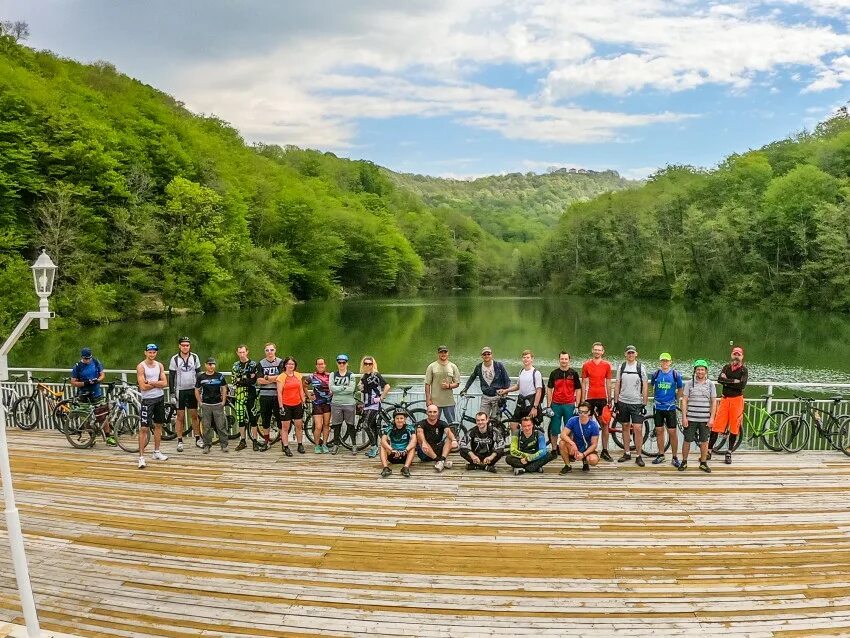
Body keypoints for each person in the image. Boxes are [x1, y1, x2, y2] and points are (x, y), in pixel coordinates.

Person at [709, 346, 748, 465]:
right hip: (725, 400)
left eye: (738, 354)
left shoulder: (743, 370)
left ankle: (729, 452)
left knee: (734, 428)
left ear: (742, 357)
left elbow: (742, 385)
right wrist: (733, 381)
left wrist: (727, 381)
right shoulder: (726, 367)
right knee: (716, 426)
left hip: (737, 401)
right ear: (731, 355)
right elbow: (720, 380)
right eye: (734, 354)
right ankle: (709, 451)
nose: (736, 356)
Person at [70, 347, 114, 446]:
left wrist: (97, 380)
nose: (88, 360)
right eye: (86, 359)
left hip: (96, 393)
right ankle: (91, 437)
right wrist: (84, 383)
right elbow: (73, 382)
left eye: (89, 358)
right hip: (84, 394)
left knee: (103, 415)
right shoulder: (77, 367)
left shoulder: (95, 362)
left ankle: (108, 436)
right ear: (82, 357)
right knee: (86, 417)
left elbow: (102, 375)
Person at [614, 345, 648, 467]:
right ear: (625, 354)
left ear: (636, 354)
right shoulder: (621, 367)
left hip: (636, 403)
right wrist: (616, 401)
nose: (630, 355)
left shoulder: (641, 367)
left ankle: (639, 455)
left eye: (632, 353)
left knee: (638, 429)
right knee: (625, 426)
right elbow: (617, 384)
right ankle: (627, 452)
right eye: (628, 353)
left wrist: (644, 403)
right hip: (623, 401)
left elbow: (645, 386)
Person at [680, 359, 717, 473]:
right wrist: (684, 417)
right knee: (687, 440)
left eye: (702, 369)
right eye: (698, 369)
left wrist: (712, 418)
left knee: (704, 441)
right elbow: (684, 400)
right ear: (695, 371)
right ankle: (684, 461)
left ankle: (703, 463)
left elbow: (714, 402)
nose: (700, 372)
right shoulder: (689, 383)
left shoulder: (710, 384)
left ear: (706, 371)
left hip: (705, 418)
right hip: (691, 417)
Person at [136, 344, 168, 469]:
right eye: (150, 352)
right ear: (145, 353)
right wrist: (157, 383)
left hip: (159, 398)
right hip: (147, 400)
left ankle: (156, 451)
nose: (152, 354)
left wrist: (151, 382)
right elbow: (142, 386)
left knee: (159, 425)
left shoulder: (159, 365)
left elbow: (164, 383)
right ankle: (141, 457)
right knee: (144, 428)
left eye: (154, 352)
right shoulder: (141, 366)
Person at [650, 353, 684, 467]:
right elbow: (652, 386)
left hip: (670, 408)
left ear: (670, 362)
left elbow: (680, 388)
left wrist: (676, 399)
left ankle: (674, 457)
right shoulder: (656, 374)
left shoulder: (675, 374)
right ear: (660, 362)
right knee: (659, 431)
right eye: (662, 361)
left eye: (666, 361)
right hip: (658, 407)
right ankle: (661, 454)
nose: (664, 363)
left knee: (672, 433)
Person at [168, 336, 202, 452]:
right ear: (179, 346)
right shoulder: (174, 359)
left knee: (194, 415)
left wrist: (200, 388)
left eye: (187, 345)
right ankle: (180, 440)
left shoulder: (195, 357)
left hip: (192, 389)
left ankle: (198, 438)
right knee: (180, 417)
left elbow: (199, 373)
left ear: (189, 346)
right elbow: (171, 377)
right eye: (183, 345)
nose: (185, 347)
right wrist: (172, 393)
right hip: (180, 390)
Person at [581, 342, 614, 462]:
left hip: (602, 398)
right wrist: (582, 399)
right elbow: (584, 382)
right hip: (590, 398)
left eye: (599, 350)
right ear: (592, 350)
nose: (597, 352)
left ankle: (605, 450)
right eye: (595, 350)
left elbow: (609, 382)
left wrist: (609, 398)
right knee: (587, 423)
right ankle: (589, 449)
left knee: (604, 423)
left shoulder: (607, 365)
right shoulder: (586, 365)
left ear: (603, 352)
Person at [498, 350, 544, 434]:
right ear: (522, 359)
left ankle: (531, 445)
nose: (526, 359)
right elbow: (518, 386)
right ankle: (515, 446)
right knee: (513, 424)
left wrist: (535, 407)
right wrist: (506, 390)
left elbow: (539, 391)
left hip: (531, 403)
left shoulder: (536, 373)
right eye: (524, 357)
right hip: (521, 402)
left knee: (529, 426)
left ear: (532, 359)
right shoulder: (521, 371)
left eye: (528, 357)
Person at [460, 346, 510, 420]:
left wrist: (505, 392)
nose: (486, 356)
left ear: (491, 355)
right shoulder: (479, 367)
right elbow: (472, 377)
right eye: (484, 354)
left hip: (497, 397)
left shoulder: (499, 366)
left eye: (488, 354)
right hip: (485, 397)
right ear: (482, 356)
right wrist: (465, 389)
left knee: (496, 421)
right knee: (482, 419)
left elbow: (507, 380)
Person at [546, 351, 582, 451]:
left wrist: (577, 405)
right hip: (556, 404)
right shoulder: (554, 373)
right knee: (554, 429)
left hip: (569, 405)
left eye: (566, 359)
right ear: (559, 360)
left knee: (569, 430)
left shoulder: (574, 373)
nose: (564, 361)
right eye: (562, 359)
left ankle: (569, 451)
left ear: (569, 360)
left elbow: (578, 389)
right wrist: (549, 406)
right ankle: (554, 449)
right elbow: (549, 389)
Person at [195, 357, 229, 455]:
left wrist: (223, 401)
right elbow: (197, 390)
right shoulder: (201, 377)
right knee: (206, 427)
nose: (211, 366)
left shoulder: (220, 376)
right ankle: (207, 445)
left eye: (213, 364)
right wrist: (200, 402)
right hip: (206, 405)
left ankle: (224, 445)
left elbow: (224, 389)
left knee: (221, 426)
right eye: (209, 364)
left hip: (218, 404)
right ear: (205, 365)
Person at [360, 355, 390, 459]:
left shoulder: (376, 375)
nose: (368, 365)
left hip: (375, 404)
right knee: (372, 426)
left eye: (370, 363)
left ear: (373, 364)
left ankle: (374, 447)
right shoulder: (364, 376)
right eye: (366, 363)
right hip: (367, 404)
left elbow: (387, 386)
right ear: (363, 365)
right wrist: (361, 387)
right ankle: (375, 447)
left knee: (365, 425)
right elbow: (365, 390)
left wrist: (381, 398)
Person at [558, 401, 600, 474]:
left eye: (585, 412)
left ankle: (585, 461)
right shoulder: (573, 420)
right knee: (561, 443)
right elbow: (562, 434)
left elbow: (594, 444)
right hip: (575, 447)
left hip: (587, 449)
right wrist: (572, 444)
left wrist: (584, 454)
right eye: (580, 412)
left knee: (593, 460)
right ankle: (567, 466)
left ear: (589, 412)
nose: (582, 414)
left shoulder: (594, 425)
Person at [231, 345, 259, 452]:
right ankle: (242, 440)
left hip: (251, 394)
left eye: (243, 352)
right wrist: (246, 377)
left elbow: (253, 381)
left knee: (253, 418)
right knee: (240, 417)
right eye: (240, 352)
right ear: (237, 353)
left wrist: (242, 379)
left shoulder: (253, 364)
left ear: (247, 352)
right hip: (239, 394)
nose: (242, 355)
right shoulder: (235, 365)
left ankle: (255, 441)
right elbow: (234, 380)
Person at [256, 343, 283, 450]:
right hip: (264, 395)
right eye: (267, 350)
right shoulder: (261, 363)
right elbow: (259, 380)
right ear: (265, 351)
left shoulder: (281, 362)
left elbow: (282, 378)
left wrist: (266, 377)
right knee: (265, 419)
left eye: (271, 350)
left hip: (277, 395)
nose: (269, 352)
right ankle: (266, 441)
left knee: (280, 418)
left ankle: (283, 442)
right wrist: (273, 379)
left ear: (275, 350)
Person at [424, 345, 460, 424]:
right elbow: (427, 384)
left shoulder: (453, 366)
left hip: (449, 401)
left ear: (448, 353)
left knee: (452, 424)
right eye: (441, 352)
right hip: (435, 402)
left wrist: (449, 386)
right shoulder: (431, 366)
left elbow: (457, 383)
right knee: (433, 423)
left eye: (445, 352)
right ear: (438, 354)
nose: (443, 354)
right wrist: (428, 399)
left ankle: (453, 436)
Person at [277, 356, 305, 457]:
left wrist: (303, 401)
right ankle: (286, 446)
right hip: (286, 404)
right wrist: (281, 407)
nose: (290, 366)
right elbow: (279, 393)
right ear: (285, 365)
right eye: (289, 364)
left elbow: (300, 389)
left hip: (297, 403)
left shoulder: (298, 375)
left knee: (299, 426)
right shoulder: (281, 377)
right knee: (285, 427)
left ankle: (300, 444)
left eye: (292, 364)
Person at [329, 354, 357, 455]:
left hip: (349, 403)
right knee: (337, 425)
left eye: (343, 363)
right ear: (337, 363)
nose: (342, 364)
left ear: (347, 363)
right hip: (336, 403)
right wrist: (343, 387)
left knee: (351, 425)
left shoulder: (351, 375)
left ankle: (354, 445)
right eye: (339, 362)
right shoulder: (333, 374)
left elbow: (351, 389)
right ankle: (336, 444)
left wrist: (338, 388)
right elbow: (331, 388)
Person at [416, 404, 457, 472]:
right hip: (425, 452)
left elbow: (448, 432)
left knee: (449, 438)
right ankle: (441, 461)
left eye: (435, 412)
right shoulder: (421, 423)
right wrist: (423, 442)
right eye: (430, 412)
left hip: (438, 450)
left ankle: (441, 461)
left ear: (438, 412)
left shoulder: (442, 423)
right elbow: (419, 432)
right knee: (421, 440)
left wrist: (454, 440)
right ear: (427, 412)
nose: (432, 414)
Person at [305, 358, 332, 453]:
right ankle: (317, 445)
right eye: (319, 364)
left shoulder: (330, 376)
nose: (321, 366)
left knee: (326, 425)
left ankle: (324, 444)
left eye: (322, 364)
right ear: (316, 366)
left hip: (328, 403)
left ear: (325, 365)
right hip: (317, 404)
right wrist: (308, 395)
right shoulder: (312, 376)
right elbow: (303, 385)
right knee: (318, 426)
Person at [379, 409, 416, 478]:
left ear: (405, 419)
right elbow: (383, 440)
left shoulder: (409, 427)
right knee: (382, 446)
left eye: (401, 418)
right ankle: (386, 468)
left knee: (412, 447)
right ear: (394, 419)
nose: (399, 420)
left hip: (405, 454)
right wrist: (392, 449)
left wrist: (406, 450)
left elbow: (414, 441)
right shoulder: (390, 427)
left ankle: (406, 468)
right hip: (393, 454)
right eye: (397, 418)